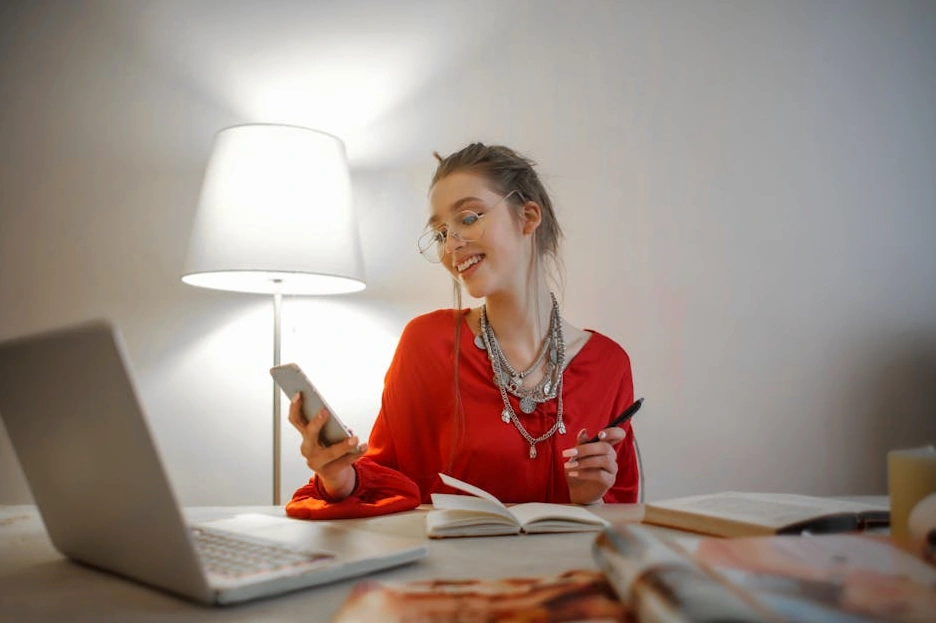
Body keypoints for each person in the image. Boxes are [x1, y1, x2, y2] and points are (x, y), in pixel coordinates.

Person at [285, 143, 640, 519]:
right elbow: (386, 480)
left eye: (468, 218)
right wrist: (339, 477)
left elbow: (626, 516)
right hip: (448, 574)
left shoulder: (607, 364)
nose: (451, 244)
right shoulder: (428, 344)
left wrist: (590, 498)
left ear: (529, 217)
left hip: (565, 575)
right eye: (440, 233)